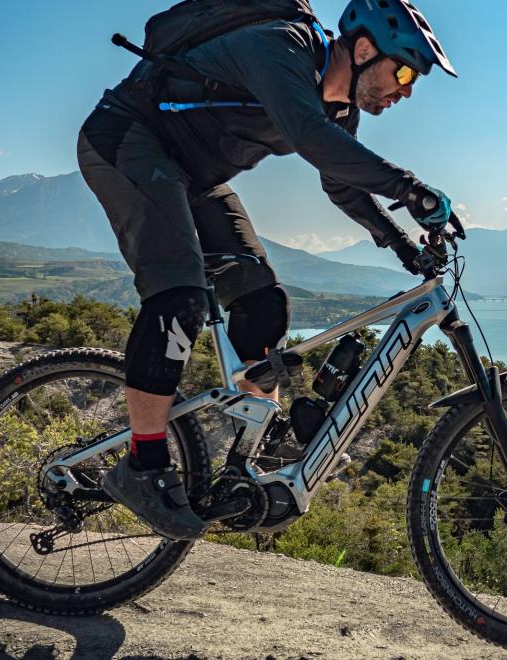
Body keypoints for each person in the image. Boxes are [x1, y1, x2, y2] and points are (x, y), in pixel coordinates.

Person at [76, 0, 457, 540]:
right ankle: (143, 464)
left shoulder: (338, 111)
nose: (407, 91)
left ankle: (249, 456)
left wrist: (401, 245)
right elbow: (309, 137)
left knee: (263, 302)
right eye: (403, 73)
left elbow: (341, 181)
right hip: (127, 139)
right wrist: (410, 188)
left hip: (194, 177)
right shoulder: (280, 46)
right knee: (179, 298)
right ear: (364, 48)